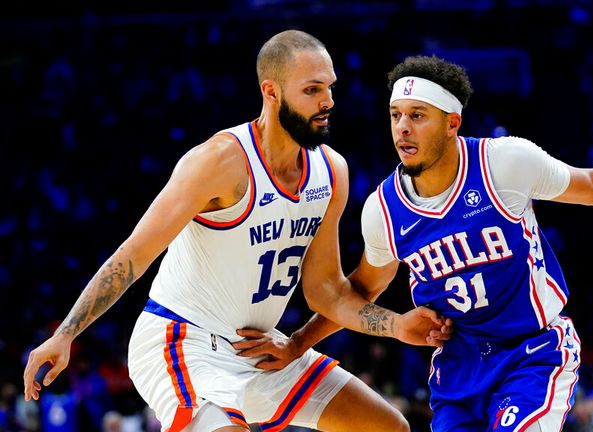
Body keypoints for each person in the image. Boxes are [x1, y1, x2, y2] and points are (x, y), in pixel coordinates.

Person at [22, 31, 451, 432]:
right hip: (181, 342)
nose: (328, 101)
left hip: (261, 349)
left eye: (330, 87)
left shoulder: (330, 171)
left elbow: (327, 292)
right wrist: (66, 334)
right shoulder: (220, 162)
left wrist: (395, 326)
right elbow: (133, 255)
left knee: (389, 426)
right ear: (271, 92)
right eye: (312, 90)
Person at [315, 54, 593, 432]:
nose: (402, 128)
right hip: (457, 369)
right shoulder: (382, 210)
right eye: (396, 115)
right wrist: (301, 343)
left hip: (532, 353)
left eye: (417, 115)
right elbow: (358, 292)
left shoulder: (503, 164)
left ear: (452, 123)